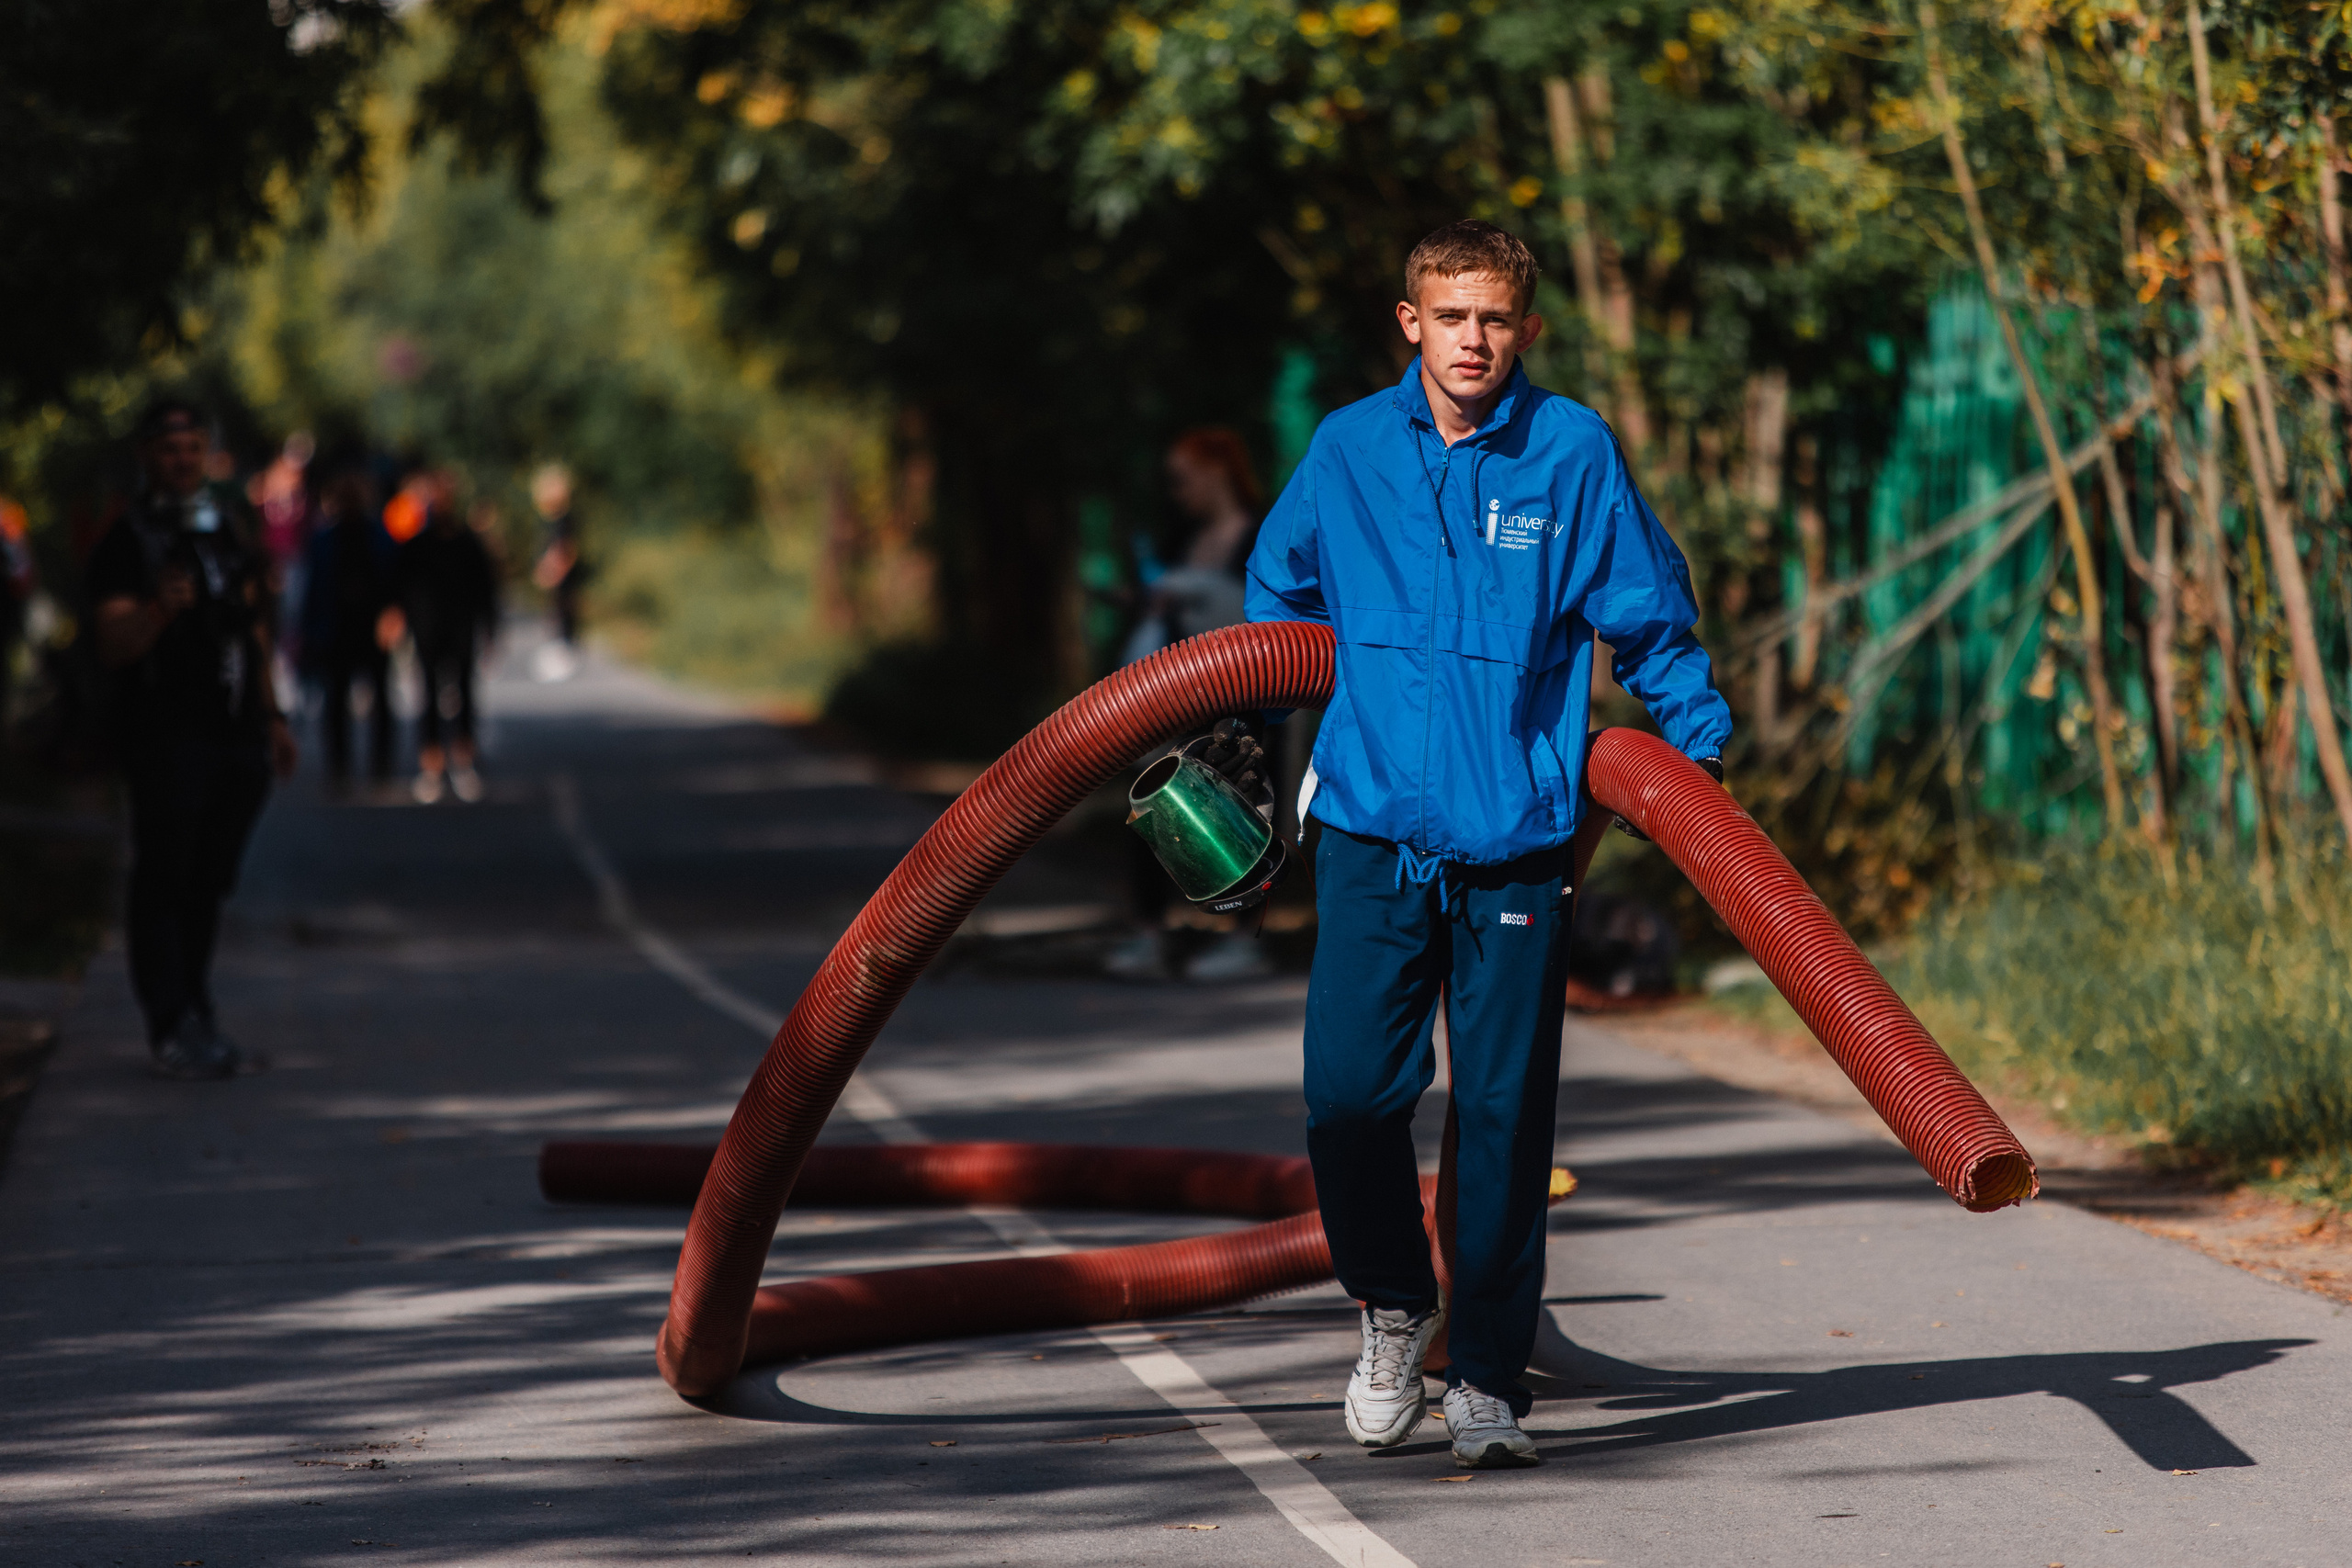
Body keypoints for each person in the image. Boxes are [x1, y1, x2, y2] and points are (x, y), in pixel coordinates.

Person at [1238, 221, 1730, 1468]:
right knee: (1349, 1094)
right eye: (1450, 315)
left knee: (1504, 1114)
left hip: (1516, 838)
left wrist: (1700, 754)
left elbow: (1650, 620)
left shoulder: (1570, 454)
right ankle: (1396, 1307)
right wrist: (1258, 721)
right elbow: (1276, 588)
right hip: (1366, 829)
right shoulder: (1348, 448)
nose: (1473, 338)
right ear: (1411, 320)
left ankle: (1491, 1374)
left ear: (1525, 328)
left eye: (1495, 318)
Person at [86, 400, 299, 1079]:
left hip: (234, 735)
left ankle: (198, 1008)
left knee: (209, 877)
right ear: (147, 456)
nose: (182, 458)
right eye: (169, 447)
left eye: (192, 446)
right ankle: (171, 1018)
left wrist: (273, 716)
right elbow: (114, 643)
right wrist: (158, 610)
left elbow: (253, 626)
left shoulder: (225, 529)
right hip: (164, 735)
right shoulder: (128, 542)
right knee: (165, 874)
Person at [1105, 429, 1273, 983]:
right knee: (1150, 806)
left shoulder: (1259, 539)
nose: (1177, 492)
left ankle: (1243, 936)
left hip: (1239, 705)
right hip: (1170, 706)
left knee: (1237, 811)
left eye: (1182, 478)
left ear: (1215, 470)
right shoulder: (1182, 540)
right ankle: (1150, 932)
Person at [395, 475, 500, 803]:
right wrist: (398, 619)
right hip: (427, 629)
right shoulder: (417, 545)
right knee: (427, 694)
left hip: (460, 627)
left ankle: (464, 760)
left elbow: (486, 589)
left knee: (465, 693)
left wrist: (491, 628)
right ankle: (431, 764)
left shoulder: (468, 543)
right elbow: (401, 587)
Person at [299, 471, 401, 791]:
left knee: (381, 697)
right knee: (336, 700)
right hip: (337, 627)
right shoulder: (324, 539)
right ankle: (339, 765)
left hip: (371, 626)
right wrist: (309, 632)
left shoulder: (380, 535)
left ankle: (381, 762)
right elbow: (313, 588)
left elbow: (394, 579)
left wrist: (392, 614)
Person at [529, 464, 585, 682]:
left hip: (561, 577)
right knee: (555, 613)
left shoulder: (564, 519)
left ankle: (564, 659)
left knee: (563, 613)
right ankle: (561, 654)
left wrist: (551, 571)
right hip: (556, 576)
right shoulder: (552, 519)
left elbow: (563, 550)